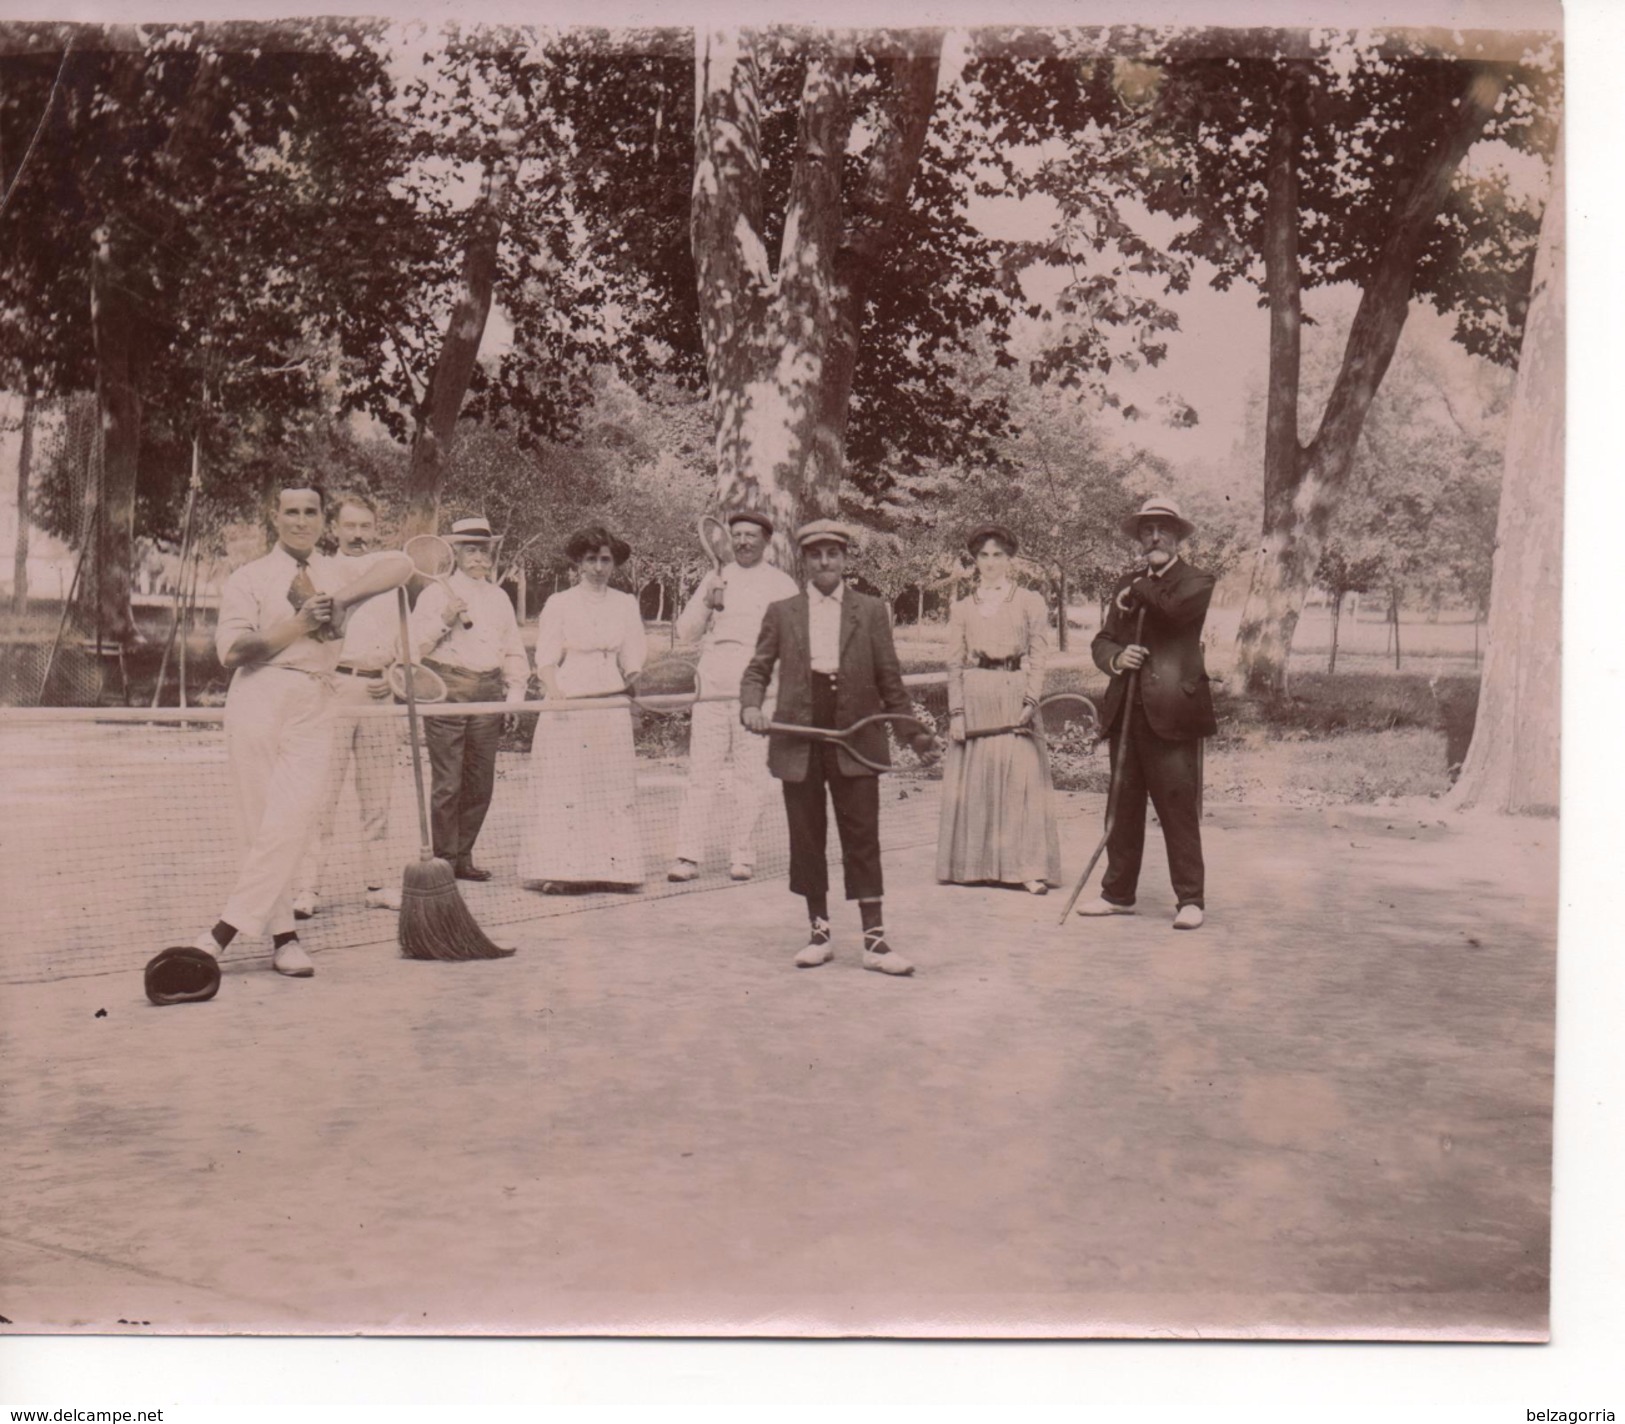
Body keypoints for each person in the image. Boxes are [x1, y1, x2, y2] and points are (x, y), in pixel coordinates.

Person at [190, 482, 412, 978]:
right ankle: (283, 937)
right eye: (291, 512)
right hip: (260, 695)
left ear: (321, 520)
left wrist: (342, 599)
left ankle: (220, 934)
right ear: (275, 516)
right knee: (259, 822)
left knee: (294, 817)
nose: (301, 521)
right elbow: (233, 652)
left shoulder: (336, 569)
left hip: (316, 697)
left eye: (311, 512)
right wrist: (299, 622)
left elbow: (402, 564)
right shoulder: (250, 577)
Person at [740, 520, 935, 976]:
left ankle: (875, 942)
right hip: (799, 736)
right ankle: (819, 933)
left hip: (857, 737)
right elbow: (756, 671)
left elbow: (891, 683)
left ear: (845, 559)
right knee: (807, 838)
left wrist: (916, 736)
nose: (824, 562)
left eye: (833, 554)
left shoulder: (870, 611)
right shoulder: (781, 611)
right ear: (804, 561)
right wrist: (750, 707)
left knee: (862, 837)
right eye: (815, 555)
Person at [1077, 496, 1217, 931]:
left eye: (1163, 530)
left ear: (1177, 536)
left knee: (1176, 806)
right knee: (1122, 805)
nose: (1155, 537)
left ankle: (1190, 899)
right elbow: (1102, 639)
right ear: (1139, 537)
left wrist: (1135, 589)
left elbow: (1172, 611)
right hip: (1126, 709)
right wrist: (1119, 657)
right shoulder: (1128, 583)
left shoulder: (1197, 580)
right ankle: (1118, 894)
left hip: (1173, 712)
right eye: (1147, 530)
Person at [667, 510, 798, 884]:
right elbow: (686, 632)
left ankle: (742, 854)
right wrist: (707, 601)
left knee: (751, 775)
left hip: (757, 688)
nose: (742, 541)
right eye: (737, 535)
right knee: (701, 773)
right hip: (712, 685)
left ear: (766, 541)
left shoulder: (781, 584)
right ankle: (687, 855)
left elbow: (793, 642)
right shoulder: (715, 577)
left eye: (751, 535)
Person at [518, 525, 648, 891]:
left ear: (614, 564)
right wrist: (554, 689)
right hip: (570, 699)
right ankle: (564, 872)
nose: (598, 568)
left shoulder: (626, 604)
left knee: (611, 782)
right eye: (590, 559)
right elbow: (545, 657)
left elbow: (634, 657)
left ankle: (615, 870)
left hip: (609, 699)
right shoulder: (559, 603)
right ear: (577, 562)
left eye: (605, 560)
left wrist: (631, 683)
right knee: (568, 784)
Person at [291, 492, 402, 918]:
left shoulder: (389, 575)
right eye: (350, 526)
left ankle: (377, 884)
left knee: (378, 798)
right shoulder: (319, 571)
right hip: (333, 691)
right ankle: (308, 889)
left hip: (380, 694)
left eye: (366, 526)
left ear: (375, 529)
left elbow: (405, 642)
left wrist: (393, 676)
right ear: (335, 529)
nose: (358, 535)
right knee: (322, 797)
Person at [935, 523, 1062, 895]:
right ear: (974, 560)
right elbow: (954, 664)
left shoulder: (1029, 601)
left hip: (1014, 695)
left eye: (998, 556)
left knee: (1019, 779)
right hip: (976, 695)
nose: (991, 563)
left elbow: (1039, 656)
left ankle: (1026, 869)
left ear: (1010, 560)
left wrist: (1031, 700)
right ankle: (973, 867)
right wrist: (956, 712)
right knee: (976, 779)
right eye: (983, 556)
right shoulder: (961, 608)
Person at [410, 517, 532, 882]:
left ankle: (463, 856)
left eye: (484, 550)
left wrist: (515, 695)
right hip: (447, 691)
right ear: (456, 554)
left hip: (488, 692)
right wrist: (445, 620)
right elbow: (414, 648)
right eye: (471, 550)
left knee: (480, 781)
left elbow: (512, 648)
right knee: (448, 782)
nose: (479, 557)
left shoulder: (499, 597)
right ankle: (445, 860)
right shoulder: (435, 593)